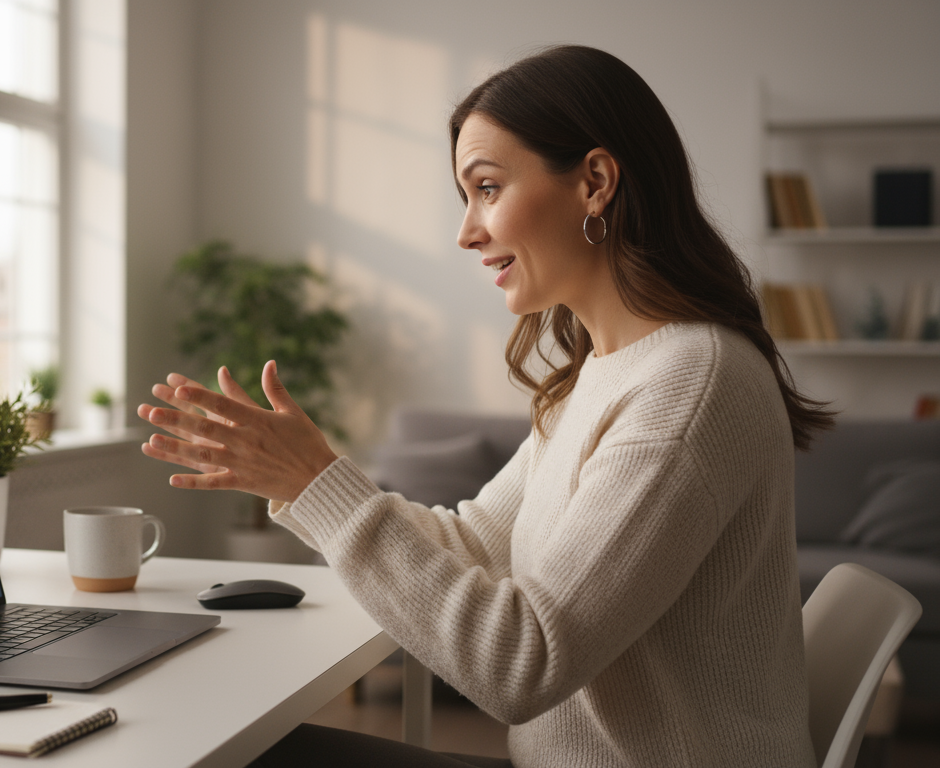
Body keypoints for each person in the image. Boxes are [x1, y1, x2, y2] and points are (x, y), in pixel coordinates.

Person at [137, 45, 832, 768]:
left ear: (594, 182)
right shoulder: (605, 374)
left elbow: (522, 664)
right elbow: (474, 544)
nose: (467, 231)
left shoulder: (688, 387)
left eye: (488, 188)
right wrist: (303, 483)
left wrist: (319, 485)